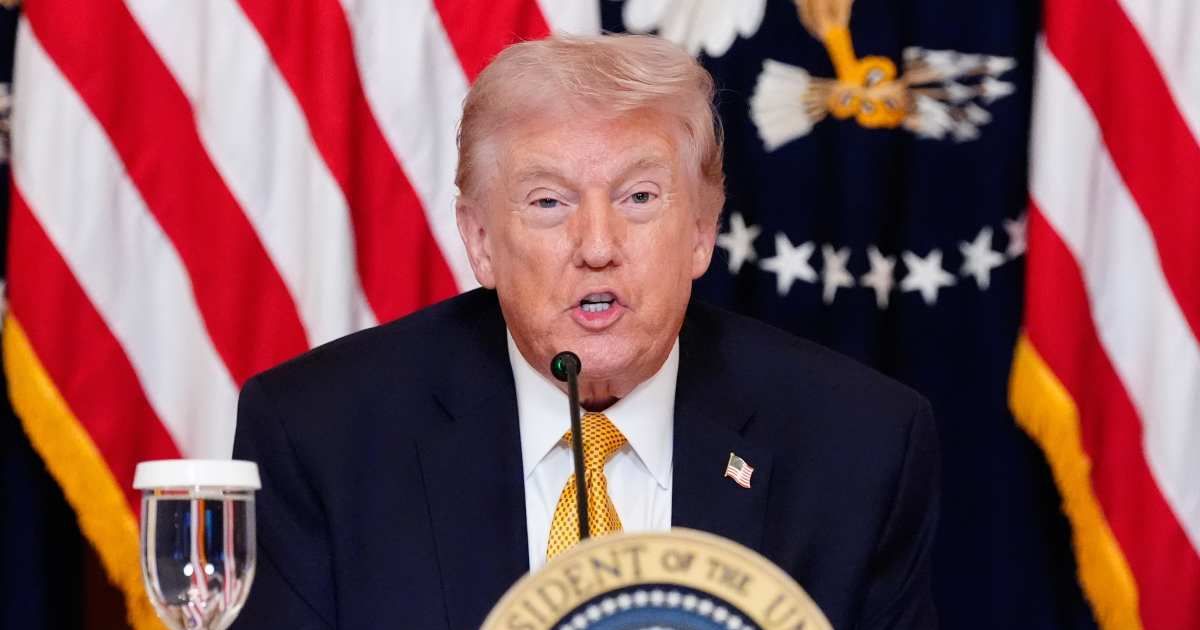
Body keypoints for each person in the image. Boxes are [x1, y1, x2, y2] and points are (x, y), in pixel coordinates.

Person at [231, 34, 938, 630]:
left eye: (638, 197)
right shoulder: (318, 437)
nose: (597, 244)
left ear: (700, 231)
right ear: (480, 242)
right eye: (548, 201)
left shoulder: (859, 444)